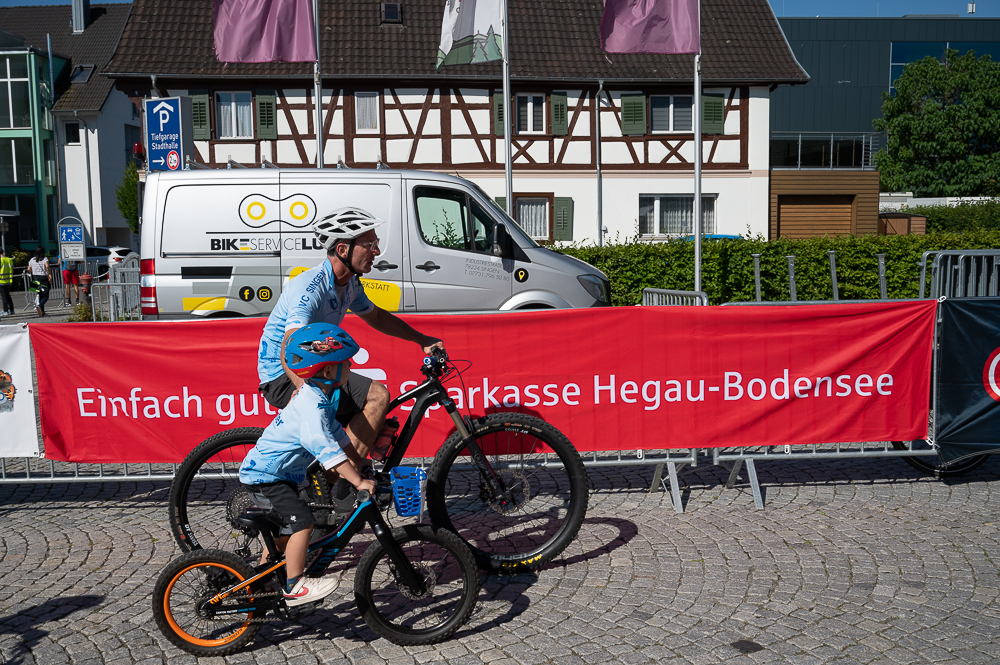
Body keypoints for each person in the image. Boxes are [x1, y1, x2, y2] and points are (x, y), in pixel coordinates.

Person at [256, 207, 443, 495]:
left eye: (375, 243)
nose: (376, 251)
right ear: (343, 249)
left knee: (371, 420)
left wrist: (421, 339)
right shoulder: (310, 287)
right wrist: (303, 390)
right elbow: (290, 343)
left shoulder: (349, 283)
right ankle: (339, 489)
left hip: (313, 365)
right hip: (284, 372)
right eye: (370, 244)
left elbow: (376, 316)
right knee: (377, 396)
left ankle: (336, 483)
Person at [240, 323, 376, 607]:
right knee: (303, 522)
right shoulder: (311, 406)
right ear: (327, 372)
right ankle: (294, 587)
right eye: (345, 362)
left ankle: (261, 578)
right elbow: (326, 450)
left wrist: (359, 461)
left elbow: (337, 434)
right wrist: (358, 481)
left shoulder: (320, 397)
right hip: (265, 477)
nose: (351, 365)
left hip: (277, 475)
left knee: (286, 531)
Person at [25, 247, 50, 317]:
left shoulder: (32, 260)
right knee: (45, 295)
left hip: (35, 278)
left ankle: (42, 312)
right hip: (43, 278)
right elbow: (47, 266)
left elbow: (29, 269)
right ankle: (40, 305)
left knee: (40, 294)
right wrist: (49, 274)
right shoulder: (44, 259)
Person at [0, 249, 14, 316]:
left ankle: (5, 310)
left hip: (1, 280)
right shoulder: (9, 259)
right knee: (7, 295)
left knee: (4, 296)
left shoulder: (0, 260)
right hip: (8, 280)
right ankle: (11, 309)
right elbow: (12, 269)